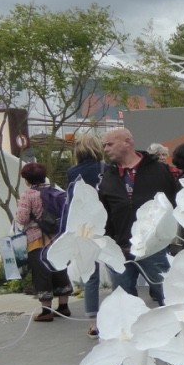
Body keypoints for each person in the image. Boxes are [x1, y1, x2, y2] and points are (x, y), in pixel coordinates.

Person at [99, 128, 180, 305]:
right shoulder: (108, 177)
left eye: (110, 144)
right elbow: (104, 213)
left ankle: (176, 331)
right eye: (104, 145)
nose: (105, 149)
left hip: (153, 247)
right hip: (120, 248)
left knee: (168, 297)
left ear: (127, 142)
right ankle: (130, 333)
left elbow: (174, 203)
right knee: (124, 304)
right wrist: (107, 242)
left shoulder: (159, 171)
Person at [15, 162, 73, 322]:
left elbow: (22, 218)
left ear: (27, 180)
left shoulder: (28, 195)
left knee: (42, 273)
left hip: (37, 240)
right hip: (57, 238)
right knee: (59, 269)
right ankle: (64, 307)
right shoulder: (55, 191)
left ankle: (46, 311)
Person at [66, 133, 106, 336]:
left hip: (85, 227)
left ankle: (93, 321)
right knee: (119, 267)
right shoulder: (105, 170)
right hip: (106, 223)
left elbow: (71, 202)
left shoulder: (72, 172)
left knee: (91, 274)